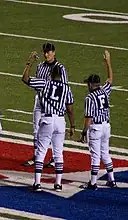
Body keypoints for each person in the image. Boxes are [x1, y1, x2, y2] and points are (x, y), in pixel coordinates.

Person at [22, 51, 75, 192]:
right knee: (58, 153)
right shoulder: (66, 88)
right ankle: (58, 184)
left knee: (41, 151)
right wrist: (73, 125)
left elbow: (26, 79)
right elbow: (70, 109)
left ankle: (37, 183)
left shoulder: (45, 83)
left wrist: (29, 64)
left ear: (51, 74)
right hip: (61, 121)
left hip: (47, 119)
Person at [22, 43, 69, 168]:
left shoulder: (60, 68)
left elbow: (64, 88)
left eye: (49, 52)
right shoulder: (41, 66)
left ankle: (54, 158)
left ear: (54, 52)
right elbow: (35, 81)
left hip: (53, 103)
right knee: (36, 129)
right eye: (45, 52)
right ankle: (37, 155)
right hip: (40, 100)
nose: (46, 54)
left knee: (54, 131)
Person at [79, 50, 116, 190]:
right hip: (106, 126)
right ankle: (111, 179)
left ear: (90, 84)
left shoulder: (89, 98)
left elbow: (88, 117)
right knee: (105, 152)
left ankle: (93, 183)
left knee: (95, 155)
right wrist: (108, 62)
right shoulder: (104, 90)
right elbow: (110, 79)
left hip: (96, 128)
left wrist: (83, 132)